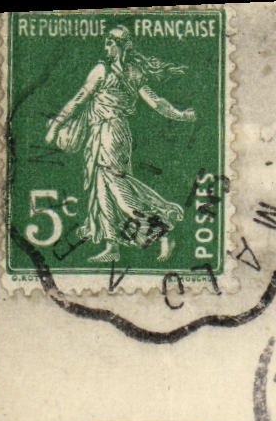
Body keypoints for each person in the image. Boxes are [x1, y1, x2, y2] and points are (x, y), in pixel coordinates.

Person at [43, 25, 196, 263]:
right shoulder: (134, 72)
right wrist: (181, 115)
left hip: (108, 133)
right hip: (112, 133)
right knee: (103, 188)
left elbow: (78, 100)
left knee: (118, 189)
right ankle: (112, 245)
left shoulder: (102, 71)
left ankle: (165, 225)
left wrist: (55, 126)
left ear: (119, 45)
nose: (105, 47)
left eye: (109, 43)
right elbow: (157, 103)